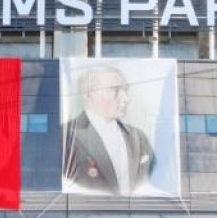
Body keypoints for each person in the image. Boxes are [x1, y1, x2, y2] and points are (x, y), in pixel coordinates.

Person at [63, 64, 155, 196]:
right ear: (90, 94)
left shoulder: (139, 137)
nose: (125, 99)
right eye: (113, 90)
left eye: (125, 90)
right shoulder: (66, 136)